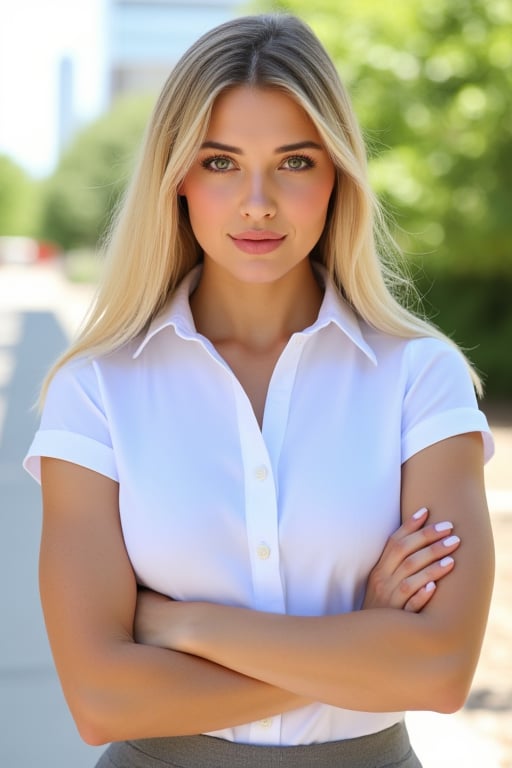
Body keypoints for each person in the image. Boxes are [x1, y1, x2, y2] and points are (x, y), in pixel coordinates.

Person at [24, 13, 495, 768]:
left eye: (295, 162)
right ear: (177, 176)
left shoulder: (419, 377)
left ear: (337, 172)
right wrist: (360, 640)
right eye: (220, 163)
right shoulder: (97, 390)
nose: (257, 202)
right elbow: (102, 699)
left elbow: (436, 671)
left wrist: (185, 626)